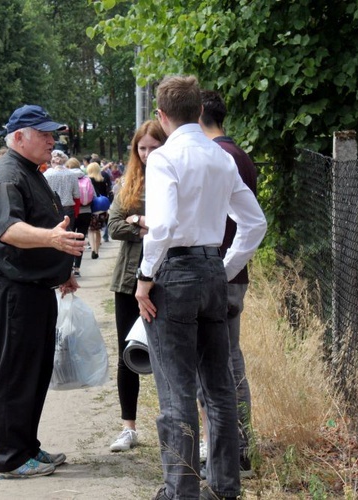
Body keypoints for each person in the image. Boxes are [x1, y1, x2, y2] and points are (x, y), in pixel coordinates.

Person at [135, 75, 266, 500]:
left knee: (177, 391)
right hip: (212, 270)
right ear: (199, 111)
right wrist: (224, 268)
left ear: (162, 115)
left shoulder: (164, 158)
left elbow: (164, 225)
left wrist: (144, 276)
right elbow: (255, 223)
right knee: (219, 388)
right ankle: (225, 488)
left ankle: (181, 492)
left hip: (173, 274)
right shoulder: (222, 158)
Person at [0, 104, 86, 479]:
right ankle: (8, 457)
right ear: (19, 137)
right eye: (44, 134)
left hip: (34, 288)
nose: (52, 140)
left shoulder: (27, 171)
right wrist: (54, 240)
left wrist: (60, 271)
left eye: (52, 134)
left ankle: (25, 447)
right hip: (13, 292)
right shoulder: (7, 174)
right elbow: (10, 230)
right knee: (15, 374)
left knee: (34, 373)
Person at [196, 90, 259, 479]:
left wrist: (223, 268)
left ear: (200, 113)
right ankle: (236, 450)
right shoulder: (236, 153)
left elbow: (248, 222)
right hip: (227, 274)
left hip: (221, 276)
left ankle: (234, 454)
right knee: (226, 364)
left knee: (222, 367)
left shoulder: (221, 156)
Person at [106, 120, 167, 452]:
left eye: (153, 148)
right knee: (126, 355)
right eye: (141, 148)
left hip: (165, 280)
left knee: (166, 356)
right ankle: (128, 427)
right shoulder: (130, 182)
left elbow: (174, 225)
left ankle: (174, 426)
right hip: (129, 279)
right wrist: (141, 224)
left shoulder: (176, 178)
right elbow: (114, 224)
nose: (147, 154)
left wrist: (141, 222)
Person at [66, 157, 91, 277]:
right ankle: (77, 267)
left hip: (72, 211)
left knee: (70, 239)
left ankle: (69, 265)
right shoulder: (86, 178)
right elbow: (94, 195)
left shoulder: (67, 178)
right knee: (80, 240)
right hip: (86, 212)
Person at [43, 149, 79, 231]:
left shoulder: (46, 175)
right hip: (68, 209)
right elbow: (76, 195)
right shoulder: (72, 175)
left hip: (52, 209)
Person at [86, 162, 109, 259]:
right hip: (102, 208)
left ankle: (93, 250)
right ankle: (97, 250)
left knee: (91, 230)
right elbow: (106, 194)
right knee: (98, 230)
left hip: (93, 208)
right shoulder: (102, 180)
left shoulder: (88, 180)